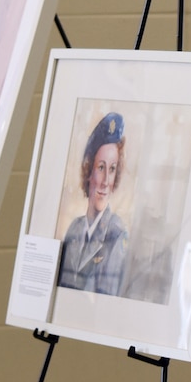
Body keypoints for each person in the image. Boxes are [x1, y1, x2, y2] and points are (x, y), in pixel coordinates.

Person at [58, 111, 130, 297]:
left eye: (112, 169)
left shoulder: (116, 235)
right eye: (101, 167)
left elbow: (105, 306)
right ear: (88, 170)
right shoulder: (74, 229)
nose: (106, 180)